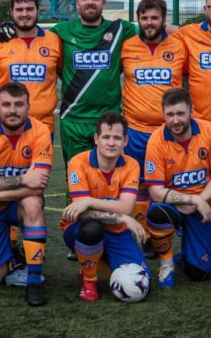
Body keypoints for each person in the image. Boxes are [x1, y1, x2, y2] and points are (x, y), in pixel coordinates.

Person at [0, 82, 53, 306]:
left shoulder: (41, 131)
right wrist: (23, 179)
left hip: (6, 202)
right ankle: (13, 257)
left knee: (33, 202)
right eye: (6, 104)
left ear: (28, 107)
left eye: (18, 104)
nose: (12, 110)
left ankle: (34, 279)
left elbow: (38, 187)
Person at [144, 88, 211, 288]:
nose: (175, 120)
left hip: (204, 208)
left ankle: (185, 256)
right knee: (158, 213)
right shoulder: (156, 141)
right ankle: (166, 263)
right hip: (174, 204)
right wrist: (193, 200)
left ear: (191, 112)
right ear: (164, 114)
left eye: (180, 113)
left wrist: (200, 201)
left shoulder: (210, 131)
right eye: (170, 115)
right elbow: (155, 191)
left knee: (200, 273)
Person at [61, 112, 148, 302]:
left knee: (141, 278)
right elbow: (82, 213)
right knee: (92, 228)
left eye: (117, 138)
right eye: (106, 137)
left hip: (117, 232)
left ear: (125, 141)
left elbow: (126, 206)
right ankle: (89, 280)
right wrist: (122, 218)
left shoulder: (131, 164)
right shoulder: (78, 162)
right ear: (96, 139)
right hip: (80, 228)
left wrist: (90, 200)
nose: (111, 143)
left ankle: (95, 262)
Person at [120, 0, 185, 245]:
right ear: (138, 20)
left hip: (171, 131)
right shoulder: (126, 46)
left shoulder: (180, 45)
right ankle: (144, 236)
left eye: (154, 17)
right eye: (144, 18)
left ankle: (166, 230)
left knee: (171, 183)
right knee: (140, 186)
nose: (149, 22)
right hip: (136, 131)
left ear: (163, 20)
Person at [50, 0, 137, 166]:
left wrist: (179, 31)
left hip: (110, 120)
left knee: (111, 175)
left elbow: (154, 27)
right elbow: (33, 37)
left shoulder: (120, 29)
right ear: (77, 3)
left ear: (103, 3)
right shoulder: (61, 31)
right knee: (76, 176)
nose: (90, 2)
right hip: (74, 120)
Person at [0, 0, 61, 135]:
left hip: (43, 126)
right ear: (11, 12)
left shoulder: (54, 40)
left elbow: (63, 73)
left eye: (29, 9)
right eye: (19, 9)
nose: (24, 14)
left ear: (38, 11)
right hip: (4, 125)